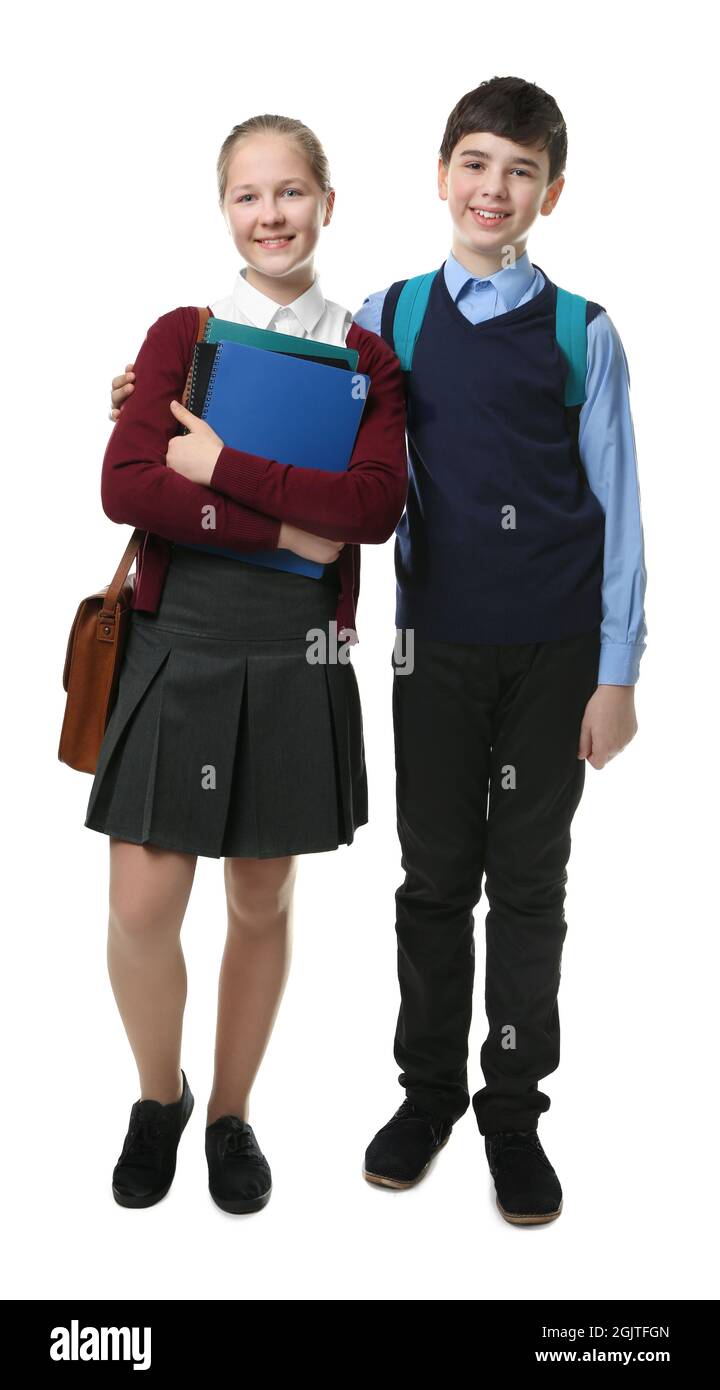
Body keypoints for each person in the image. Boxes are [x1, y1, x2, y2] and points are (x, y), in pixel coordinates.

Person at [111, 78, 648, 1227]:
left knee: (527, 888)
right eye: (473, 163)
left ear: (551, 192)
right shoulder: (365, 321)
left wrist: (617, 668)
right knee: (428, 883)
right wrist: (179, 432)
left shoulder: (539, 334)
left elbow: (390, 504)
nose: (492, 189)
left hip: (535, 648)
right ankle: (407, 1094)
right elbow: (186, 457)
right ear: (439, 173)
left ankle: (506, 1112)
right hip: (420, 645)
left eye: (517, 171)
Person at [89, 113, 408, 1215]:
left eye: (290, 193)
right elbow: (130, 484)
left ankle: (230, 1114)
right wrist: (282, 526)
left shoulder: (369, 357)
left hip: (292, 650)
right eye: (248, 195)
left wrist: (222, 465)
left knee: (262, 900)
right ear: (224, 209)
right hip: (180, 642)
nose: (270, 215)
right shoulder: (182, 331)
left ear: (327, 201)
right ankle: (158, 1096)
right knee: (139, 906)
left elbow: (370, 507)